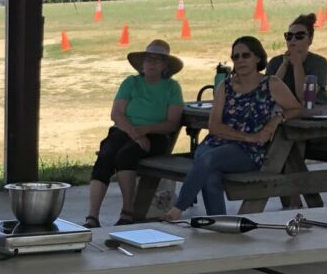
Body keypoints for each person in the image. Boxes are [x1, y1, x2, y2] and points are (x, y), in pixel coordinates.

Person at [164, 36, 300, 220]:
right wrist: (247, 136)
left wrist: (276, 119)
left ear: (257, 58)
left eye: (245, 55)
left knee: (207, 160)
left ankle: (177, 209)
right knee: (209, 172)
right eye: (236, 57)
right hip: (218, 142)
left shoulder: (271, 84)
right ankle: (219, 223)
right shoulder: (225, 86)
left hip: (248, 151)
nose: (240, 60)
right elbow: (214, 126)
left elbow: (296, 108)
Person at [84, 40, 185, 228]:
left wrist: (145, 130)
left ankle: (128, 211)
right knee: (105, 155)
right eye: (148, 59)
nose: (152, 63)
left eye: (158, 60)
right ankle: (92, 216)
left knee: (125, 155)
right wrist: (135, 133)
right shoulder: (131, 82)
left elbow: (172, 123)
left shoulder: (172, 88)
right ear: (142, 64)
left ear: (165, 66)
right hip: (125, 130)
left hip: (155, 135)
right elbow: (116, 114)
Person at [266, 13, 327, 106]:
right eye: (289, 36)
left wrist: (297, 64)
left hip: (318, 111)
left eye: (299, 36)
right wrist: (284, 65)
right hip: (286, 114)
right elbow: (268, 95)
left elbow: (304, 97)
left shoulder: (319, 63)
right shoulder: (275, 62)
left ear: (310, 39)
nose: (293, 40)